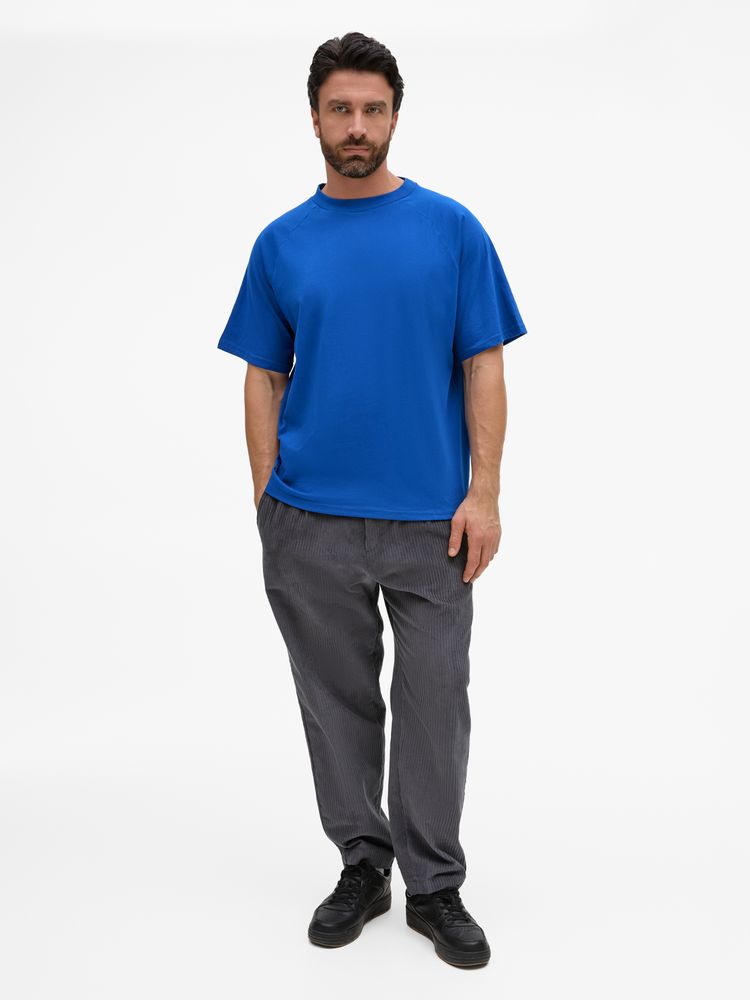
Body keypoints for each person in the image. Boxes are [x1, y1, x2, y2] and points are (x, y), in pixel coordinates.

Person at [216, 31, 527, 969]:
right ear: (315, 117)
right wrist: (268, 498)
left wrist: (483, 494)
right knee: (335, 702)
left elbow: (484, 364)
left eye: (373, 109)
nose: (357, 125)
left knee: (435, 702)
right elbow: (262, 374)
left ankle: (434, 885)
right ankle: (363, 861)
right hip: (308, 521)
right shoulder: (282, 242)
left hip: (432, 523)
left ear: (396, 116)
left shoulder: (451, 229)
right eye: (341, 109)